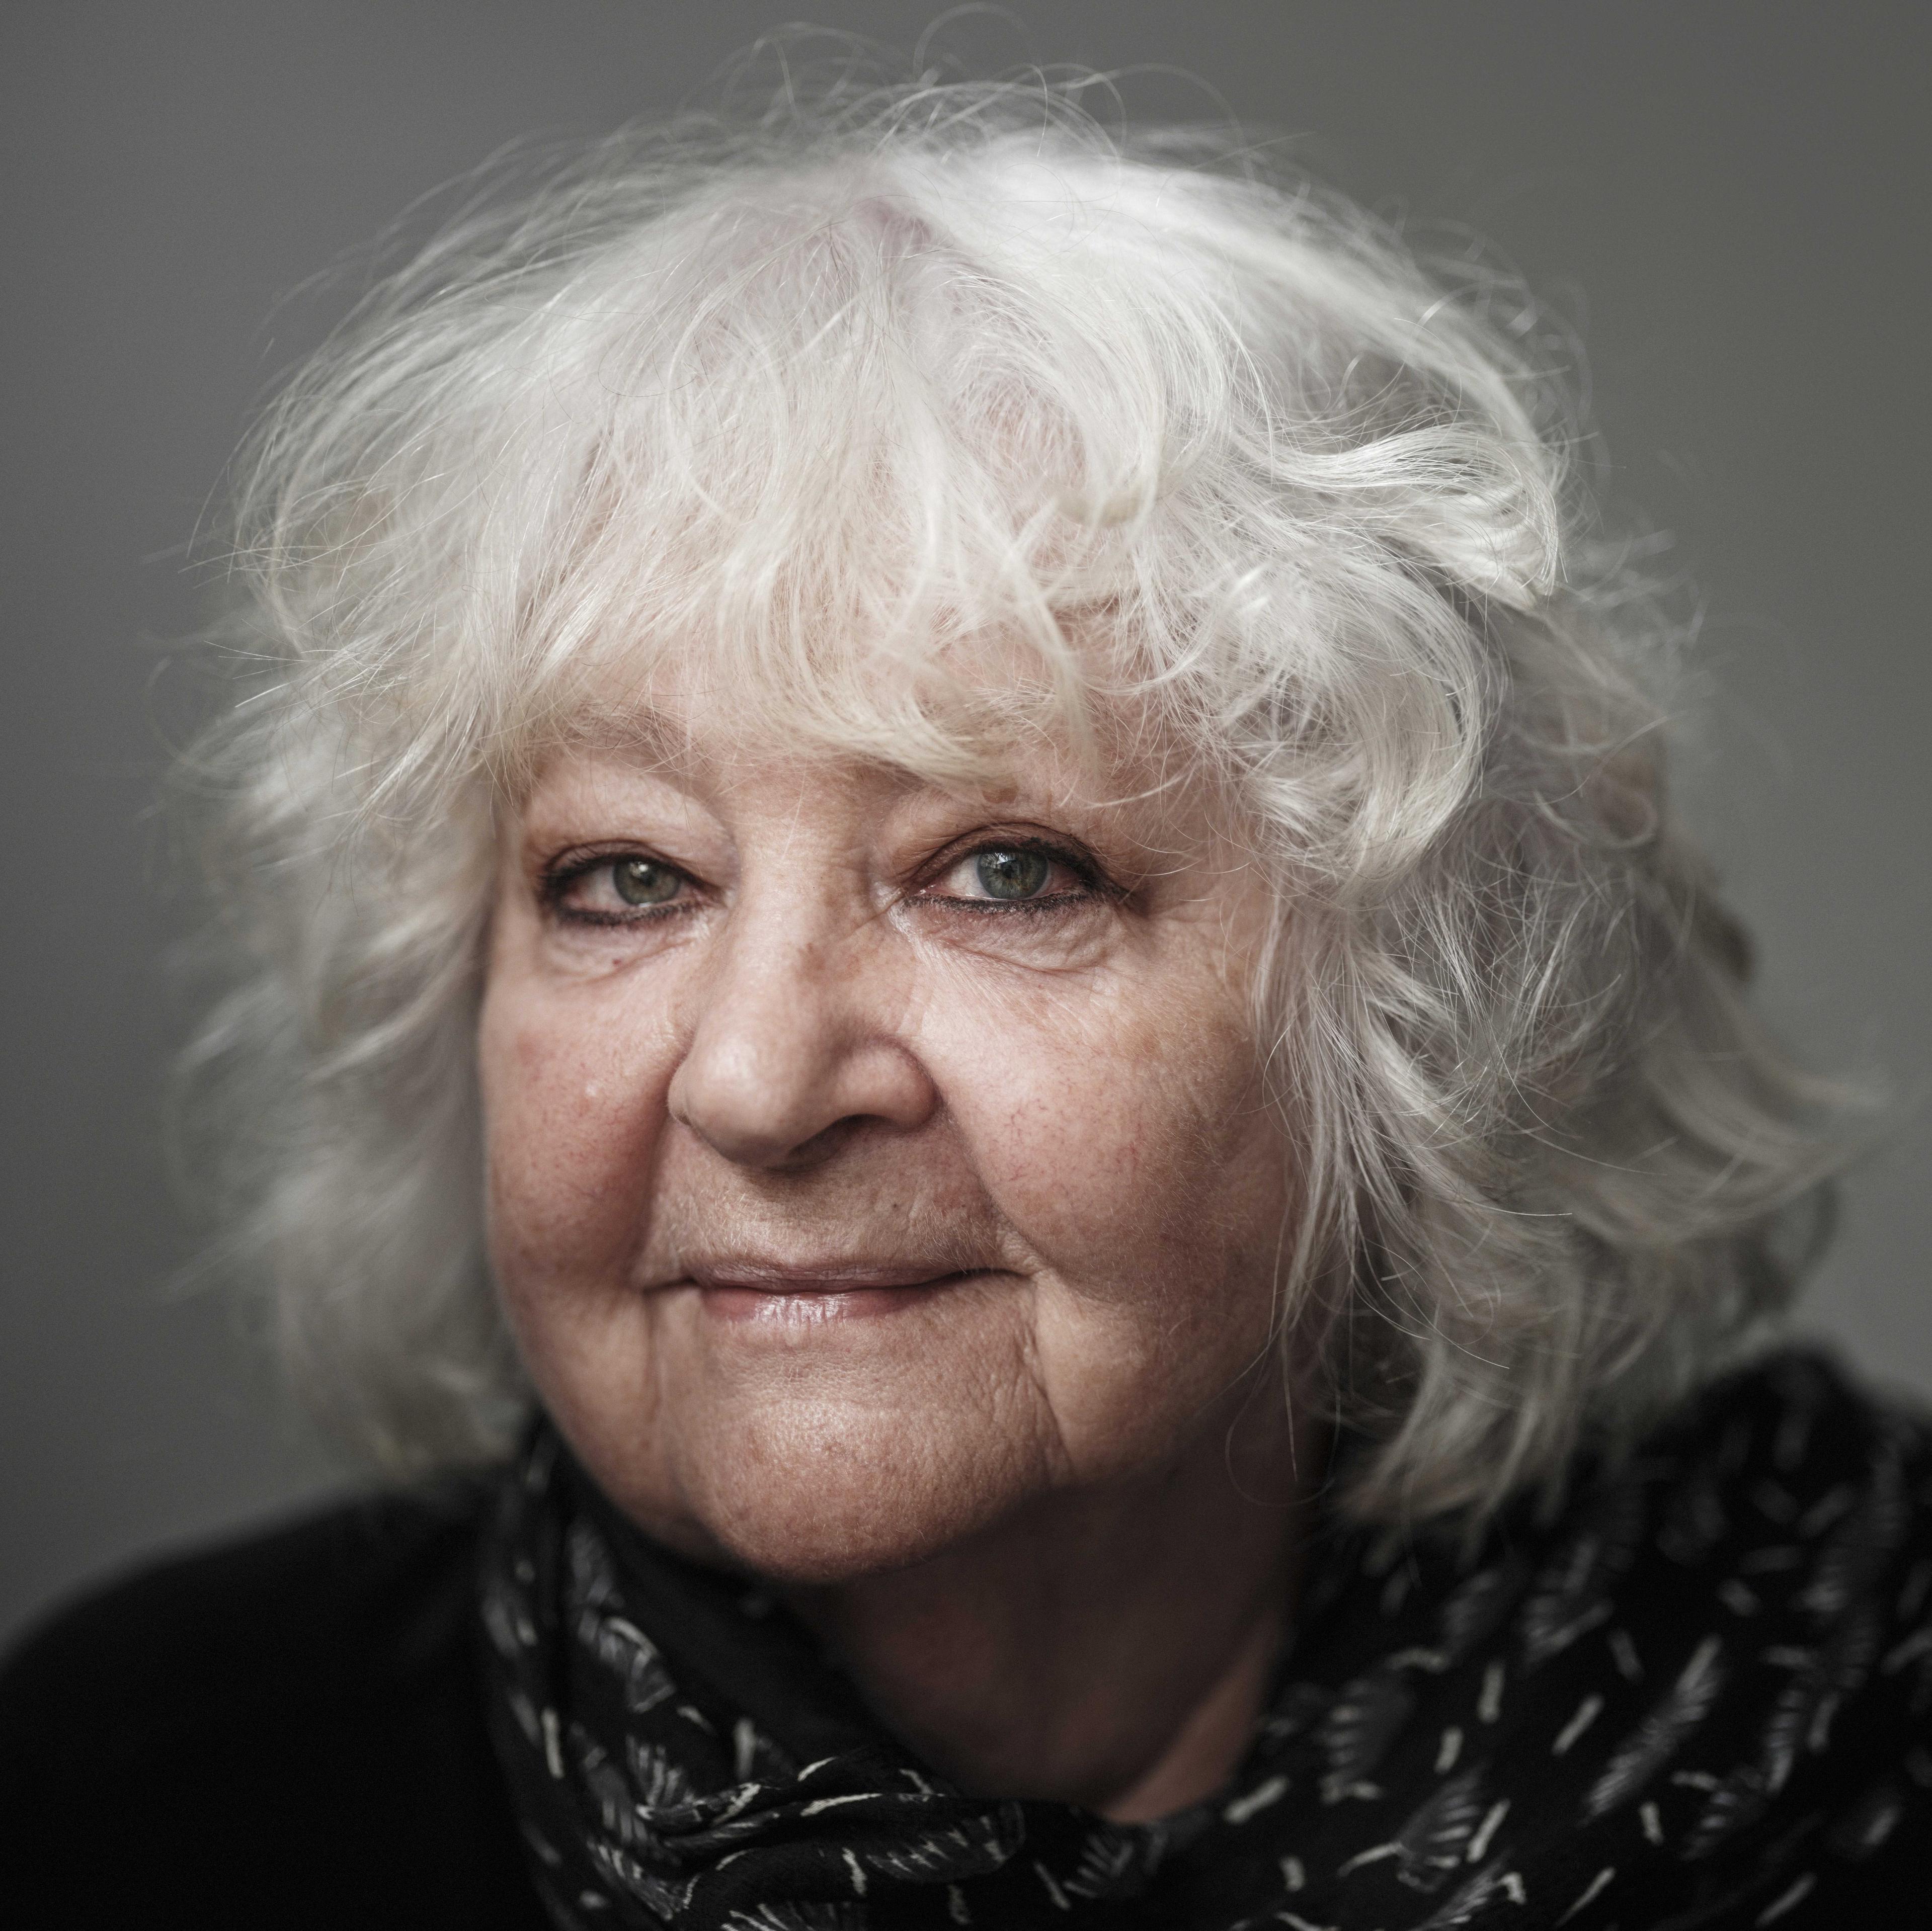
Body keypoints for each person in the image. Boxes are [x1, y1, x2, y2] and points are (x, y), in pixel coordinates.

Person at [2, 78, 1925, 1931]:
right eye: (628, 880)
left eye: (1007, 871)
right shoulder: (134, 1805)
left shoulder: (1869, 1712)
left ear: (1432, 1022)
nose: (760, 1081)